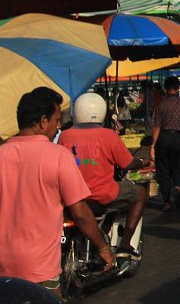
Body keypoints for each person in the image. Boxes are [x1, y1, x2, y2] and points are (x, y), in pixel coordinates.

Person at [0, 87, 115, 294]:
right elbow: (80, 212)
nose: (58, 126)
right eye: (56, 120)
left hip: (1, 268)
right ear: (43, 122)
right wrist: (103, 247)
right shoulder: (59, 156)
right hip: (41, 270)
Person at [58, 92, 149, 263]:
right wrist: (142, 162)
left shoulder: (65, 136)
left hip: (72, 197)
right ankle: (126, 244)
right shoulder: (108, 135)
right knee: (141, 193)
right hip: (103, 194)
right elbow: (127, 164)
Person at [151, 76, 180, 211]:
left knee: (163, 170)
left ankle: (166, 201)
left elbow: (156, 126)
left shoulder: (161, 105)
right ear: (178, 88)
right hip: (178, 139)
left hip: (163, 138)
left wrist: (153, 145)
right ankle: (177, 186)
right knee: (176, 166)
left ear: (165, 88)